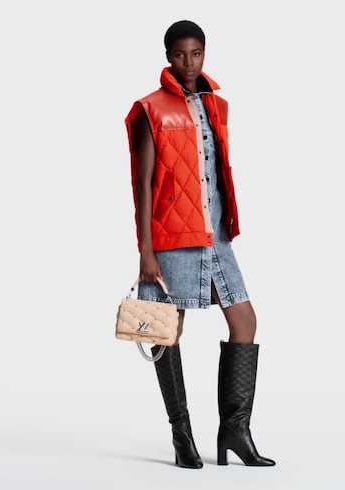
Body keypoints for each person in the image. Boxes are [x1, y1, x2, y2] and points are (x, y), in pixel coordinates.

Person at [124, 20, 276, 469]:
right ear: (167, 57)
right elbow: (144, 183)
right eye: (179, 54)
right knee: (167, 330)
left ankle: (235, 431)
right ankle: (182, 435)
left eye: (196, 54)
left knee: (244, 320)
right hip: (172, 235)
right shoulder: (152, 109)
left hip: (216, 234)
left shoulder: (214, 104)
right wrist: (145, 250)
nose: (188, 63)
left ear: (204, 53)